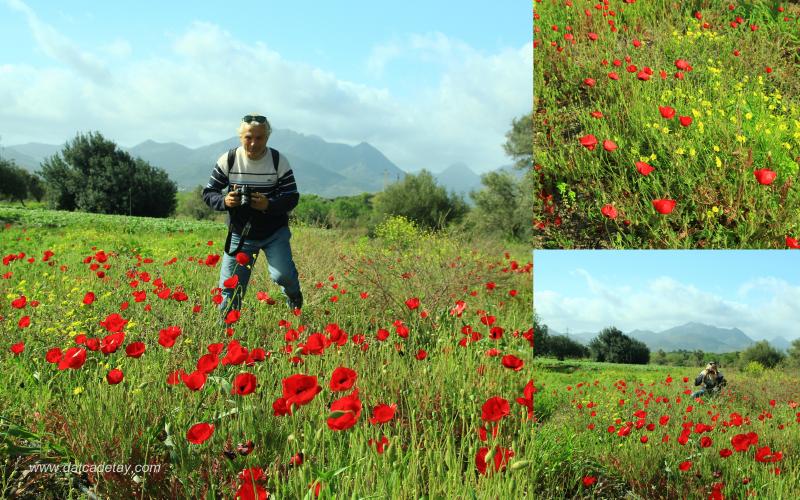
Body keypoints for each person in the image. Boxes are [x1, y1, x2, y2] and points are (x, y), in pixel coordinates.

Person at [202, 114, 303, 318]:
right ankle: (226, 335)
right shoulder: (229, 160)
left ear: (267, 137)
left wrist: (268, 205)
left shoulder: (277, 161)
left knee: (283, 275)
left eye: (260, 138)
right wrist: (225, 201)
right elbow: (208, 192)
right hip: (241, 233)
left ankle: (294, 296)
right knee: (229, 290)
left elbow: (292, 197)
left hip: (274, 232)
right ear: (240, 137)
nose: (254, 143)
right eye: (249, 137)